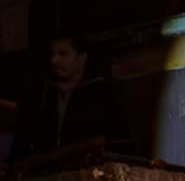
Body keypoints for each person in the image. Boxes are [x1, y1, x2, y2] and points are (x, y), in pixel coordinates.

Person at [7, 33, 131, 170]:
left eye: (63, 54)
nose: (54, 60)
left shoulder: (103, 92)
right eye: (52, 54)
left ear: (81, 58)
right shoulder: (40, 94)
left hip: (87, 172)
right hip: (43, 175)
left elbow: (112, 141)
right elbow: (22, 140)